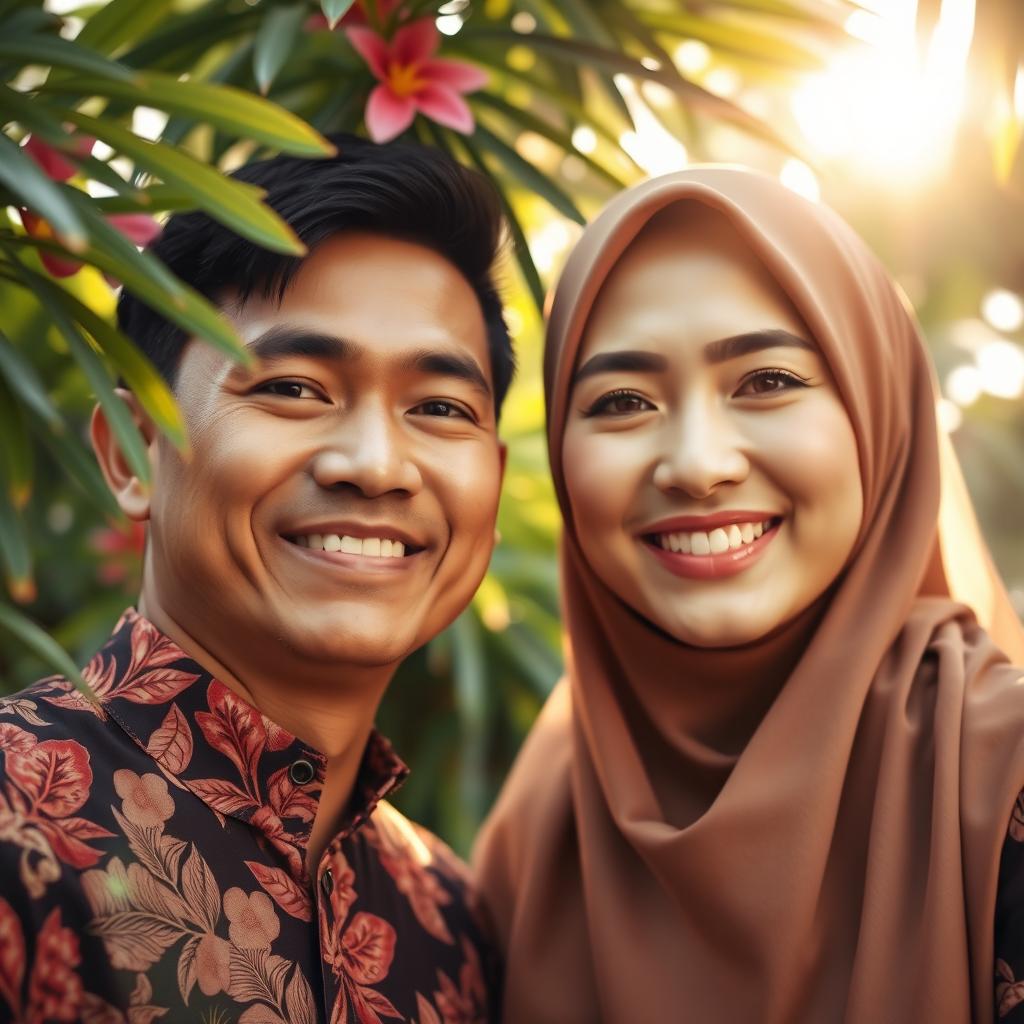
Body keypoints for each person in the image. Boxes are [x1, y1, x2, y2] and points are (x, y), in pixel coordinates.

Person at [472, 167, 1024, 1023]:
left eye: (767, 381)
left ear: (877, 406)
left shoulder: (999, 780)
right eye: (622, 401)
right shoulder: (541, 825)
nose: (696, 463)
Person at [0, 135, 510, 1022]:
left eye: (439, 408)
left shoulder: (453, 926)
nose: (377, 464)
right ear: (132, 450)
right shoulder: (14, 826)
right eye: (295, 389)